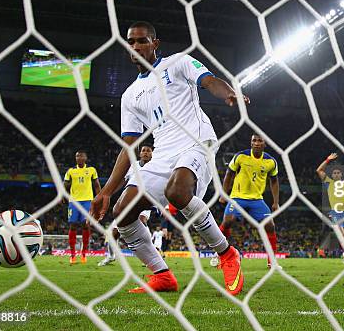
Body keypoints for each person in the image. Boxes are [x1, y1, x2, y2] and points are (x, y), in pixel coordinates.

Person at [90, 21, 248, 295]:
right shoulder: (130, 96)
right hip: (163, 152)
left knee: (176, 191)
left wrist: (228, 92)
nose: (136, 46)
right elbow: (129, 144)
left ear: (155, 43)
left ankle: (226, 253)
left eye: (142, 41)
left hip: (196, 141)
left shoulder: (178, 63)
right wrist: (106, 190)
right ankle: (162, 275)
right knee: (122, 211)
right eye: (131, 42)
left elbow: (209, 80)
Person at [213, 134, 280, 268]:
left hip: (256, 200)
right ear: (251, 142)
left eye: (259, 141)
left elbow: (274, 181)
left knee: (270, 226)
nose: (256, 143)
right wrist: (223, 194)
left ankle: (272, 262)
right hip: (237, 197)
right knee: (228, 221)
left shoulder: (270, 161)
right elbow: (229, 174)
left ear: (264, 144)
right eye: (254, 140)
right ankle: (218, 253)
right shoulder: (240, 156)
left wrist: (275, 202)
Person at [98, 145, 153, 267]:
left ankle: (151, 256)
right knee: (113, 233)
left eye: (148, 151)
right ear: (139, 154)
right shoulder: (133, 165)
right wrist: (109, 193)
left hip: (145, 201)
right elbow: (123, 180)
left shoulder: (156, 166)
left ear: (152, 154)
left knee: (142, 221)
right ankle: (111, 256)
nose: (145, 153)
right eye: (143, 150)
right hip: (128, 202)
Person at [316, 153, 344, 264]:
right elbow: (319, 170)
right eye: (334, 173)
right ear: (332, 175)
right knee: (341, 233)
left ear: (341, 174)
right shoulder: (328, 182)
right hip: (335, 213)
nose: (336, 174)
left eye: (338, 173)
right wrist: (327, 160)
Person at [64, 150, 100, 265]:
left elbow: (96, 185)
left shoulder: (91, 170)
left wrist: (98, 199)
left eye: (81, 156)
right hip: (74, 202)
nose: (79, 157)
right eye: (77, 156)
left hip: (87, 202)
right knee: (73, 225)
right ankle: (73, 255)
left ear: (85, 157)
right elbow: (65, 185)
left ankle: (84, 254)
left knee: (86, 225)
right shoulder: (70, 171)